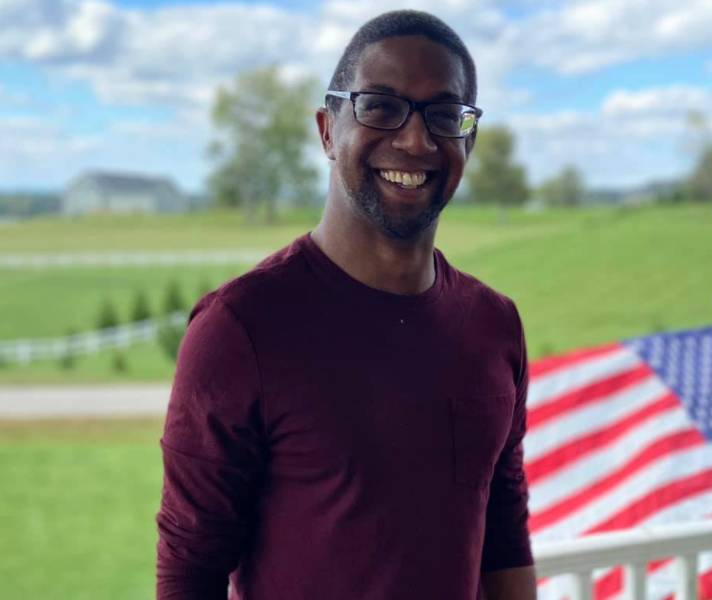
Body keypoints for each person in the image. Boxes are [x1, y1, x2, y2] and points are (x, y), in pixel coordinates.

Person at [155, 10, 536, 600]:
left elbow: (503, 529)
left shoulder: (494, 325)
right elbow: (189, 571)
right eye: (380, 107)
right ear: (327, 131)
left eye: (444, 115)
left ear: (468, 139)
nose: (416, 140)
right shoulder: (240, 329)